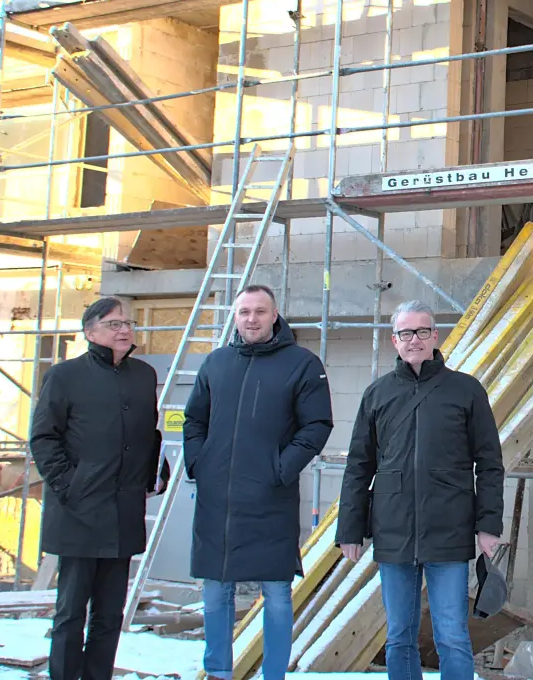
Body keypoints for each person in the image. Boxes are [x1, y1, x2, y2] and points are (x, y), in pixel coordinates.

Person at [337, 300, 505, 680]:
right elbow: (359, 466)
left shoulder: (466, 391)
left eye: (422, 331)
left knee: (452, 636)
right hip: (393, 530)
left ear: (435, 336)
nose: (414, 339)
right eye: (406, 333)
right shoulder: (377, 394)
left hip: (449, 529)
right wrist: (350, 529)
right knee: (398, 637)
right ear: (394, 340)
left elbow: (490, 462)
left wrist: (488, 524)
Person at [183, 284, 333, 680]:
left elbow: (317, 424)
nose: (251, 319)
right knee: (216, 593)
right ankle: (217, 672)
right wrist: (199, 463)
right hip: (219, 498)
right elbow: (194, 419)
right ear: (236, 316)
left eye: (260, 311)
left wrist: (281, 469)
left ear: (275, 315)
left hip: (271, 496)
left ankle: (274, 675)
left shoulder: (302, 363)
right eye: (244, 311)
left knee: (277, 595)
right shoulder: (215, 363)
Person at [30, 297, 165, 680]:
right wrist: (69, 485)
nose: (124, 330)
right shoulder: (65, 376)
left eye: (128, 323)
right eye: (113, 324)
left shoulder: (143, 376)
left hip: (123, 514)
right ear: (90, 332)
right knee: (71, 614)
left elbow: (147, 435)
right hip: (79, 513)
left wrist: (155, 471)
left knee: (109, 616)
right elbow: (43, 438)